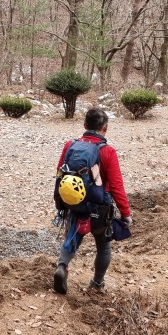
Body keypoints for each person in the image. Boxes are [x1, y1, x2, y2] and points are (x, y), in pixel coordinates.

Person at [53, 107, 132, 295]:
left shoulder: (70, 145)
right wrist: (126, 213)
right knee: (103, 245)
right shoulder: (107, 151)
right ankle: (97, 283)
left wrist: (61, 201)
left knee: (73, 236)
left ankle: (62, 266)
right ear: (105, 128)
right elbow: (116, 186)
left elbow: (59, 174)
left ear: (84, 125)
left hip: (75, 202)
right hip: (100, 207)